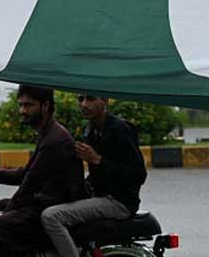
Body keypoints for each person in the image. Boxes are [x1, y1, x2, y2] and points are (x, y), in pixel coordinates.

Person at [0, 85, 85, 257]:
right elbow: (22, 175)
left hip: (52, 206)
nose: (22, 110)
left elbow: (28, 186)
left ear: (45, 106)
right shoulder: (48, 133)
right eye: (21, 105)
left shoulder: (55, 140)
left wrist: (4, 215)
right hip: (41, 202)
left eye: (28, 105)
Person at [40, 94, 147, 257]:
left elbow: (138, 175)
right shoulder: (90, 130)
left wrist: (98, 160)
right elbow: (97, 176)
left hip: (119, 202)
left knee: (51, 217)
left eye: (90, 99)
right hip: (99, 196)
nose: (84, 104)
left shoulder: (120, 129)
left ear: (105, 101)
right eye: (80, 99)